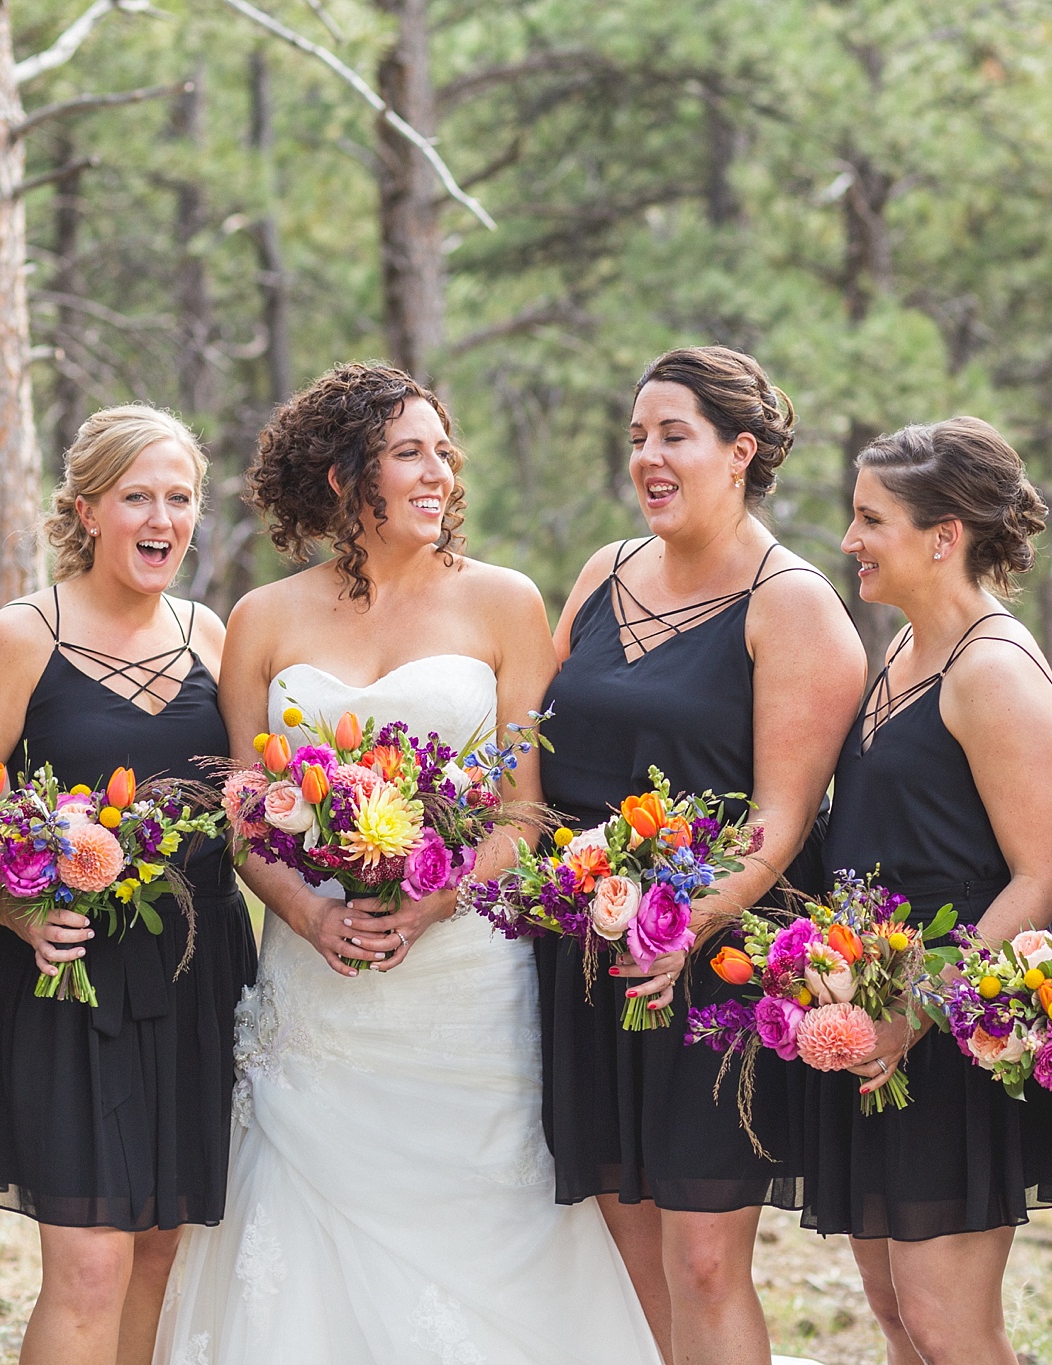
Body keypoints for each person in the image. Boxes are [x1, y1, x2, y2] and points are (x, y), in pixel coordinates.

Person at [153, 363, 660, 1364]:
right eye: (408, 453)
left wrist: (429, 904)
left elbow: (523, 814)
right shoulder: (263, 618)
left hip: (464, 983)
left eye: (443, 450)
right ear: (345, 477)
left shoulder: (505, 604)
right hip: (316, 984)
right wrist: (304, 910)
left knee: (480, 1225)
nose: (439, 471)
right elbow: (248, 811)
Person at [539, 346, 867, 1363]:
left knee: (706, 1264)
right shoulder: (603, 572)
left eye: (672, 436)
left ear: (741, 452)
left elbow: (780, 819)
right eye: (636, 438)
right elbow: (545, 752)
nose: (647, 457)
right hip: (584, 953)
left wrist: (682, 926)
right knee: (629, 1247)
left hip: (716, 969)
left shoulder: (793, 605)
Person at [0, 406, 259, 1365]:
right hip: (64, 986)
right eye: (137, 497)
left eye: (180, 497)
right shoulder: (21, 636)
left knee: (161, 1251)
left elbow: (248, 807)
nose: (161, 517)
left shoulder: (213, 635)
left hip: (195, 976)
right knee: (89, 1264)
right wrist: (18, 909)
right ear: (86, 509)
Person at [806, 418, 1052, 1365]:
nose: (850, 541)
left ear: (943, 534)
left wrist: (918, 1008)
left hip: (952, 1028)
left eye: (871, 519)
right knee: (891, 1306)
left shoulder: (992, 670)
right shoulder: (904, 652)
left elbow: (1043, 877)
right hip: (878, 1019)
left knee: (947, 1321)